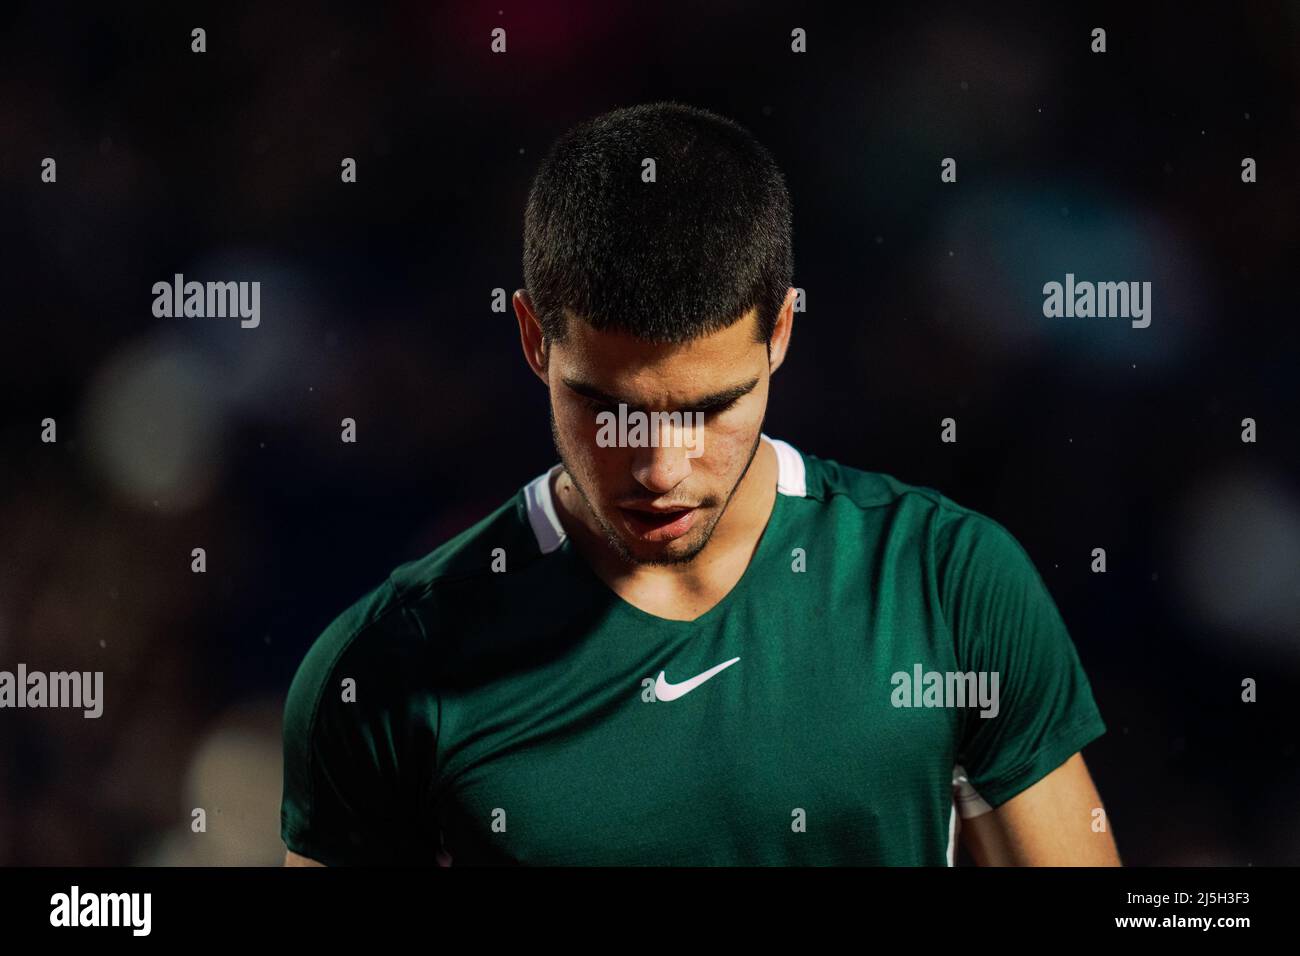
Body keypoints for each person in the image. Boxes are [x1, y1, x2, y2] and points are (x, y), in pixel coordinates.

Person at [281, 101, 1119, 866]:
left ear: (782, 331)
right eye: (608, 408)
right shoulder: (385, 673)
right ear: (535, 340)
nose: (659, 470)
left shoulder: (947, 584)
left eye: (710, 409)